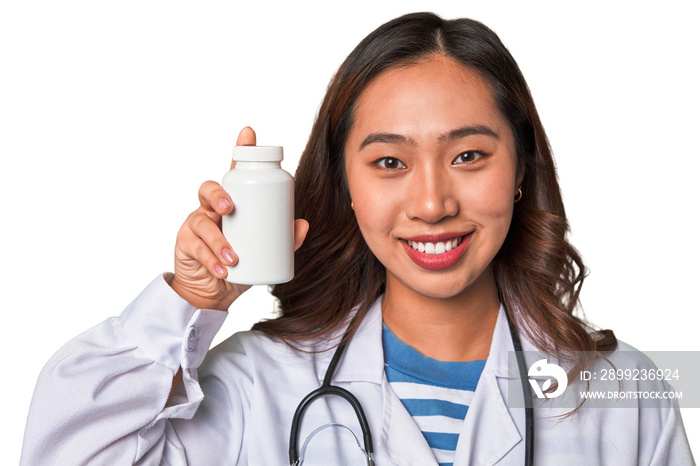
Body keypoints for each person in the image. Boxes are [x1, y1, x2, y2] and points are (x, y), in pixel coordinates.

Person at [21, 12, 694, 466]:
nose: (432, 203)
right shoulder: (257, 386)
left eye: (468, 156)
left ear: (520, 170)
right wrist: (190, 303)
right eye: (390, 163)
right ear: (345, 184)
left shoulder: (623, 392)